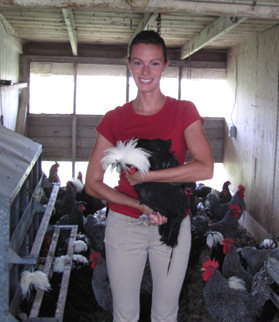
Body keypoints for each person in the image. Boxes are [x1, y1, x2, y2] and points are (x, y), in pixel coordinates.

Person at [85, 30, 214, 322]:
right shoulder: (115, 119)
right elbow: (92, 182)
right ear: (129, 64)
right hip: (124, 223)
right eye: (139, 63)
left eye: (154, 63)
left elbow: (205, 167)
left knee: (166, 313)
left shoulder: (183, 111)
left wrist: (149, 177)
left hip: (171, 222)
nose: (146, 71)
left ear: (165, 65)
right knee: (125, 314)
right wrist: (138, 206)